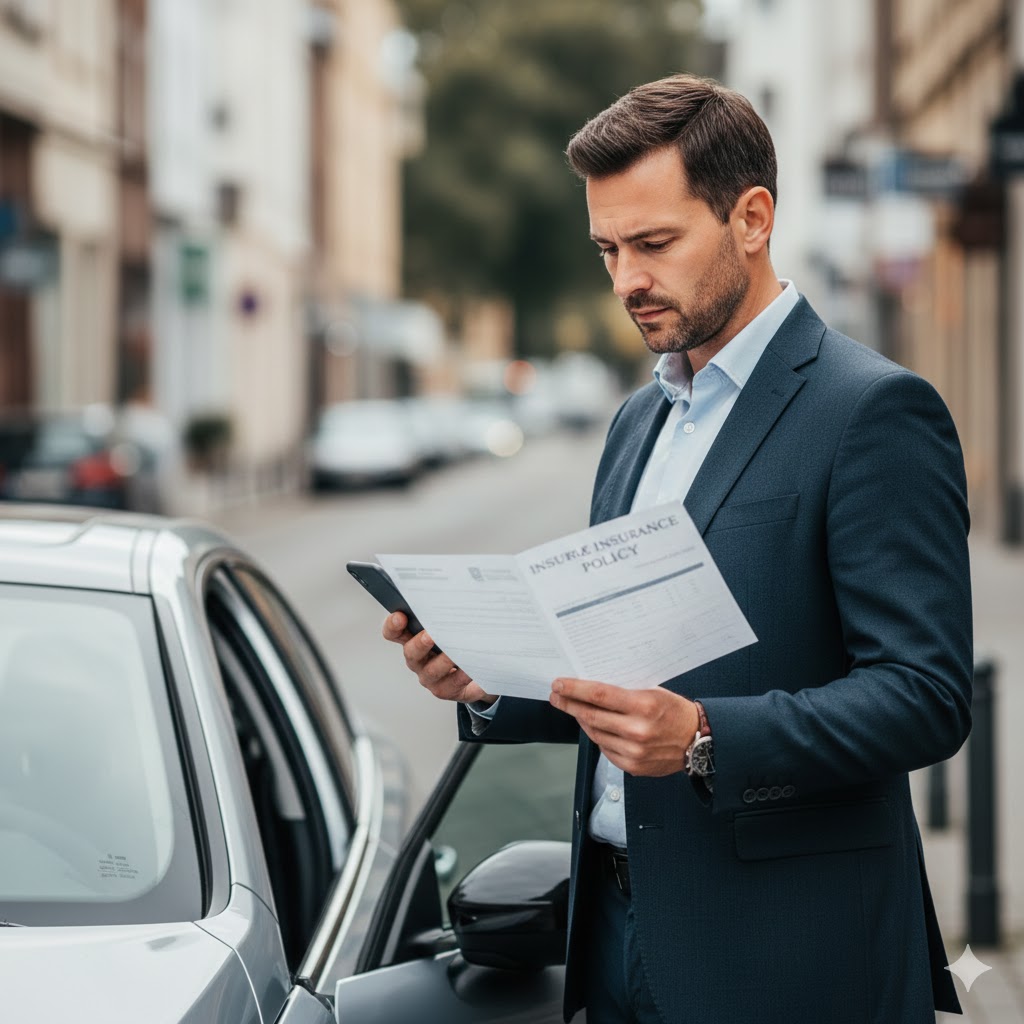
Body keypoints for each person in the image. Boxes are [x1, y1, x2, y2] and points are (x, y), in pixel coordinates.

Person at [383, 73, 971, 1024]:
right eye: (608, 250)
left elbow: (926, 697)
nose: (626, 281)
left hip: (787, 956)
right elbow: (617, 673)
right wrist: (488, 679)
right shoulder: (634, 424)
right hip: (610, 935)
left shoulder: (872, 411)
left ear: (753, 218)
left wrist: (703, 739)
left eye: (653, 244)